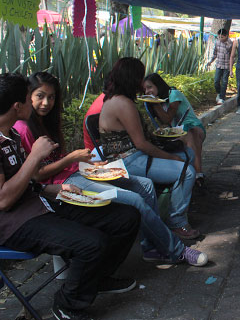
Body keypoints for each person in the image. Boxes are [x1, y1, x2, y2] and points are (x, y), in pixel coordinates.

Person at [14, 71, 207, 267]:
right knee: (135, 200)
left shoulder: (45, 123)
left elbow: (56, 158)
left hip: (79, 171)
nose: (46, 102)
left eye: (51, 97)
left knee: (146, 186)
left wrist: (86, 163)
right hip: (62, 184)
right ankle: (177, 250)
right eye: (40, 96)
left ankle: (151, 247)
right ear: (28, 96)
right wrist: (72, 158)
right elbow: (37, 174)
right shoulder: (23, 128)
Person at [0, 72, 140, 320]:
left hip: (40, 203)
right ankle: (67, 305)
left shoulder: (12, 134)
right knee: (92, 243)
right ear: (17, 106)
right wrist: (35, 157)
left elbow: (27, 182)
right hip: (14, 224)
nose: (38, 103)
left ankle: (95, 279)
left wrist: (52, 189)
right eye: (30, 97)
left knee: (126, 217)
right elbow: (3, 200)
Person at [98, 57, 200, 240]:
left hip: (131, 157)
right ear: (133, 78)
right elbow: (141, 144)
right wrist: (172, 158)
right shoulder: (123, 104)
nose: (142, 82)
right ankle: (177, 222)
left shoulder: (117, 99)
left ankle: (176, 206)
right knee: (187, 170)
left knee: (189, 154)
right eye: (140, 77)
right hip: (127, 161)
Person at [143, 73, 207, 183]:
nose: (147, 92)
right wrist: (155, 104)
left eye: (150, 87)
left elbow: (168, 118)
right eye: (144, 89)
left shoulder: (173, 94)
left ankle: (198, 175)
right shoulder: (155, 102)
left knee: (191, 134)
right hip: (175, 131)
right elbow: (164, 124)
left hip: (193, 126)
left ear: (158, 85)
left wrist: (155, 103)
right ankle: (188, 174)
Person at [208, 28, 233, 105]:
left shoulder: (230, 43)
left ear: (226, 36)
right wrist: (211, 61)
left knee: (224, 82)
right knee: (216, 81)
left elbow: (232, 55)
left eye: (222, 37)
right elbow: (215, 53)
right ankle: (218, 93)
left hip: (226, 66)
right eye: (219, 37)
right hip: (219, 64)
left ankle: (222, 97)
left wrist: (231, 68)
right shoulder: (217, 43)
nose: (220, 39)